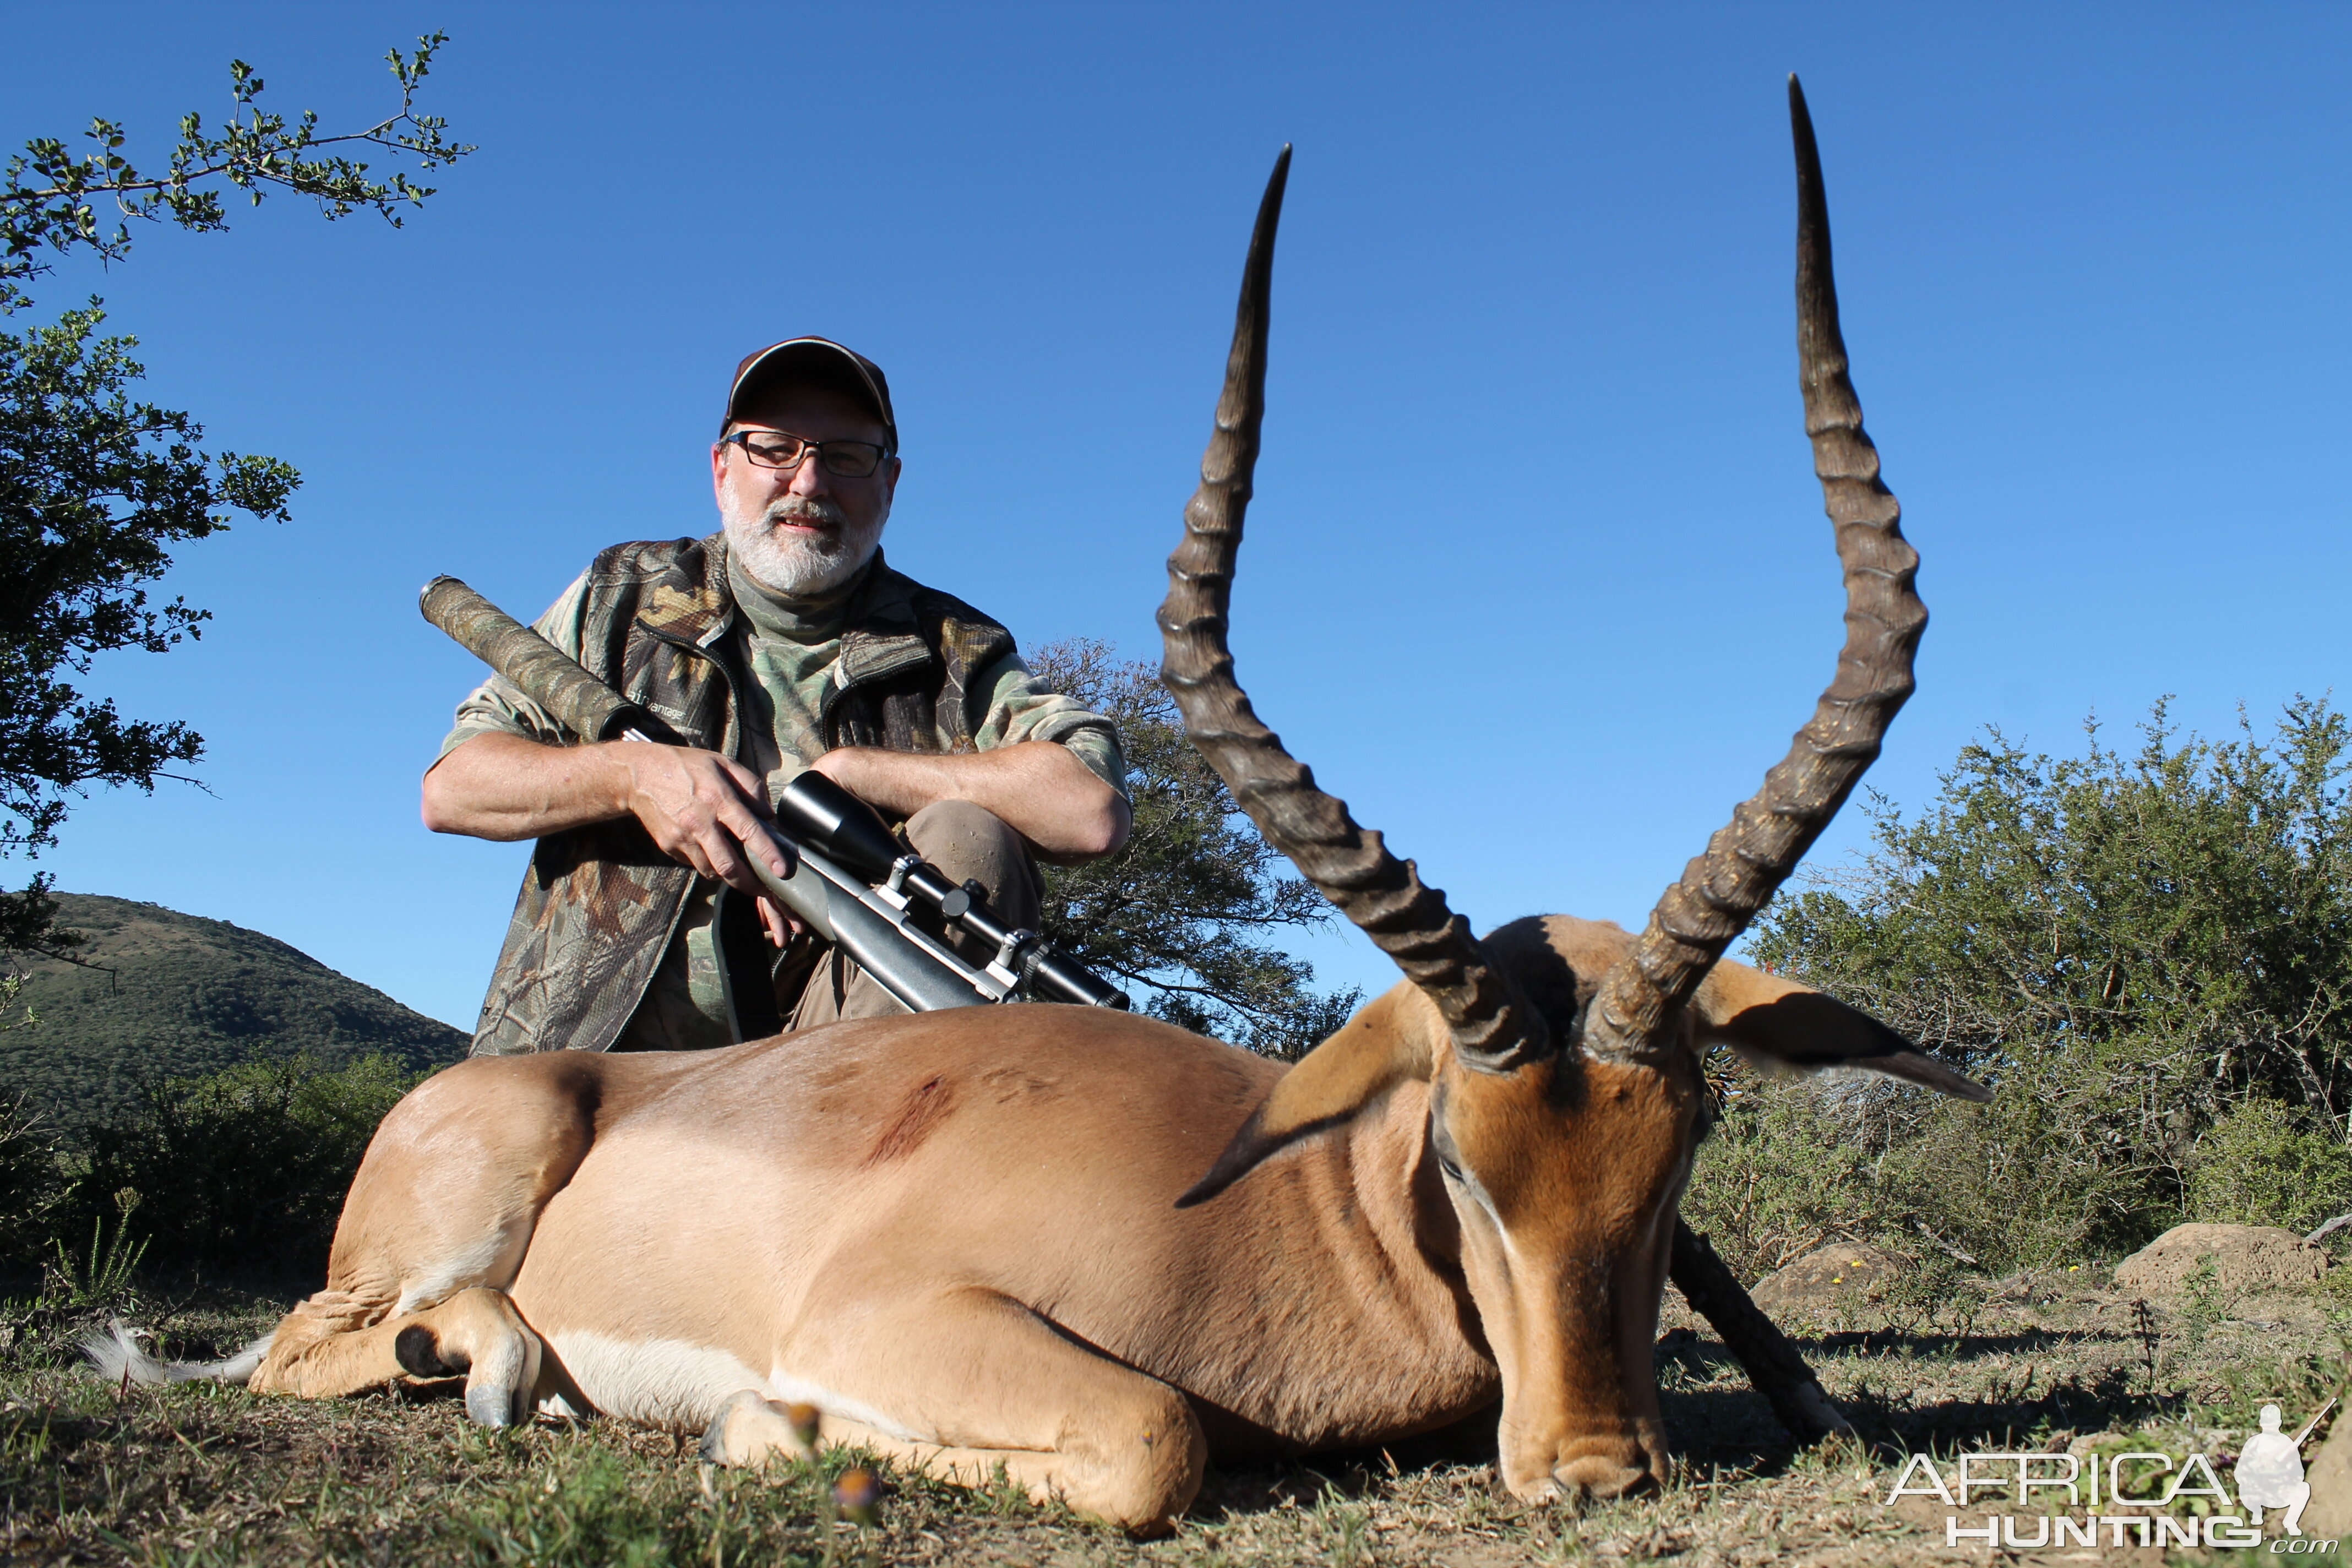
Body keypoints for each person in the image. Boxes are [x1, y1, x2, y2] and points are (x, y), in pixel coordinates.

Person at [422, 338, 1131, 1054]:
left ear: (890, 482)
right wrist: (632, 775)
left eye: (847, 454)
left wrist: (849, 780)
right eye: (774, 448)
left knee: (967, 837)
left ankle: (867, 1158)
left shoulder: (955, 647)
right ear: (722, 466)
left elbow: (1090, 811)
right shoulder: (621, 595)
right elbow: (455, 789)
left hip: (825, 1079)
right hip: (595, 1071)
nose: (810, 480)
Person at [2235, 1403, 2313, 1534]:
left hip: (2280, 1491)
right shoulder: (2254, 1443)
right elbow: (2240, 1474)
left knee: (2304, 1488)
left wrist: (2283, 1470)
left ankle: (2291, 1522)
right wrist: (2258, 1468)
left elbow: (2299, 1475)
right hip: (2258, 1493)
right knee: (2244, 1487)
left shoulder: (2287, 1443)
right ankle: (2256, 1514)